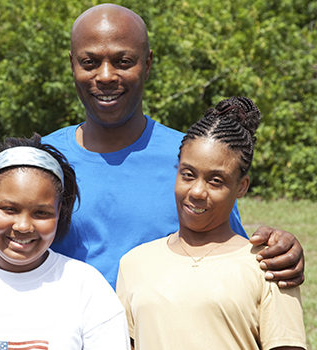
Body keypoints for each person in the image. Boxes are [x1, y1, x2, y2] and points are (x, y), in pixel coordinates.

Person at [0, 4, 304, 307]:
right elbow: (4, 258)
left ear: (148, 63)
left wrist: (279, 249)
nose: (105, 75)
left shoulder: (191, 164)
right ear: (72, 64)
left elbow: (232, 256)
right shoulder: (40, 162)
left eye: (123, 61)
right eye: (90, 62)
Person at [116, 97, 306, 350]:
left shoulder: (269, 265)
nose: (196, 191)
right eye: (187, 174)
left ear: (241, 186)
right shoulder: (134, 263)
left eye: (216, 180)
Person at [0, 134, 130, 349]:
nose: (23, 226)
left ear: (60, 211)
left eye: (41, 213)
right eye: (9, 209)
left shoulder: (87, 287)